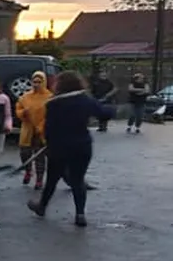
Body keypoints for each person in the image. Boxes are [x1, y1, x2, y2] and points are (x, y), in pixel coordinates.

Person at [27, 71, 114, 227]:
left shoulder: (53, 103)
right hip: (82, 146)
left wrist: (48, 143)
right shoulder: (85, 100)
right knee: (78, 180)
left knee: (52, 179)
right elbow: (103, 114)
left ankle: (42, 207)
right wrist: (111, 108)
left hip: (59, 147)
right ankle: (80, 214)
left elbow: (49, 128)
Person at [15, 71, 51, 190]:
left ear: (44, 82)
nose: (36, 84)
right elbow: (18, 109)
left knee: (40, 156)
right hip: (27, 129)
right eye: (34, 82)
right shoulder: (26, 97)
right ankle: (28, 171)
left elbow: (51, 115)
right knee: (24, 153)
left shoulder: (50, 97)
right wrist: (22, 113)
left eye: (39, 82)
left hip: (41, 131)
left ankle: (39, 179)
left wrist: (42, 127)